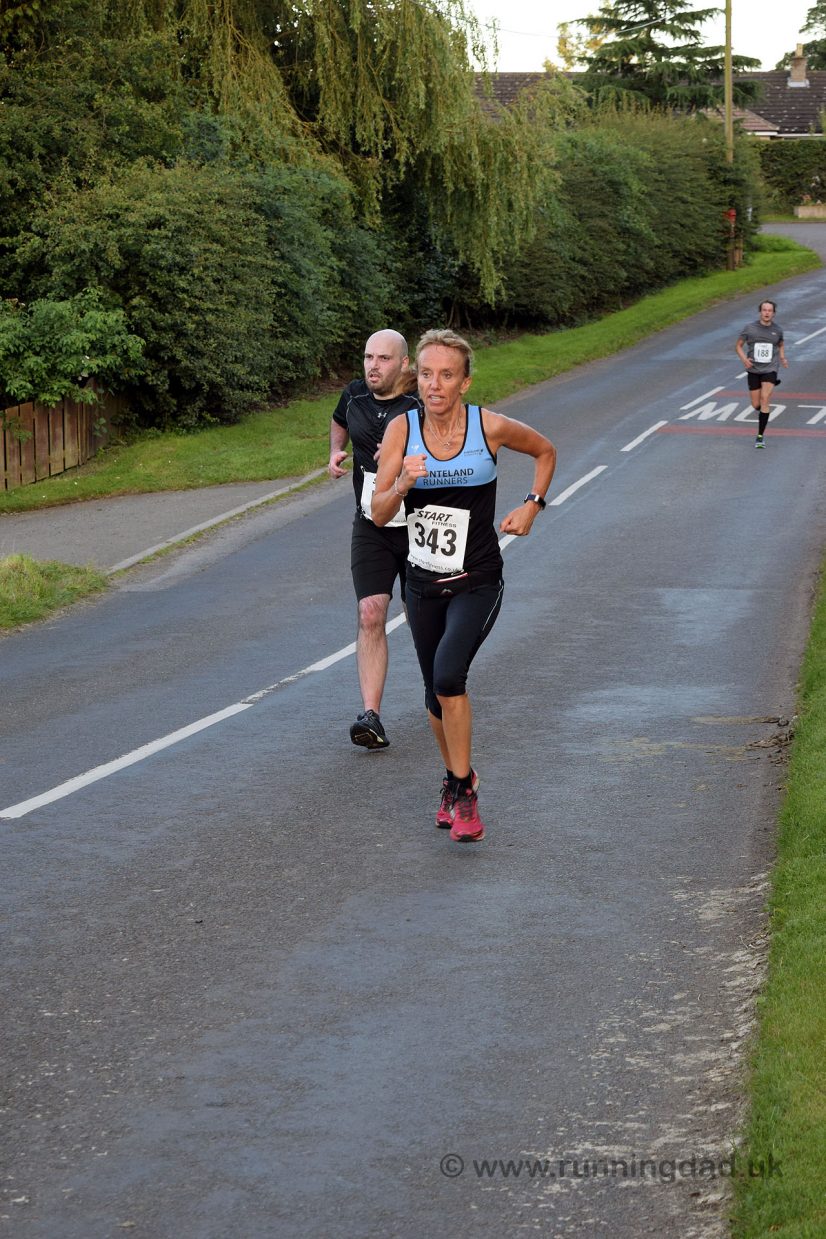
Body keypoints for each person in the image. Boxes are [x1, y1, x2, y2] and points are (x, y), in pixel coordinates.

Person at [371, 328, 556, 843]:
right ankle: (458, 779)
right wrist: (404, 482)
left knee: (450, 677)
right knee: (434, 696)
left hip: (477, 580)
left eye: (446, 375)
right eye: (426, 374)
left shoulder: (488, 427)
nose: (434, 384)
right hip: (422, 584)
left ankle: (464, 795)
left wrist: (532, 505)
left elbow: (545, 451)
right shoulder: (401, 433)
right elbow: (379, 511)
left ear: (464, 382)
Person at [329, 329, 421, 749]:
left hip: (421, 523)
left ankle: (441, 694)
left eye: (383, 359)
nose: (373, 366)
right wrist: (335, 451)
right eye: (368, 357)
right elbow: (338, 421)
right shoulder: (353, 396)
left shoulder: (422, 404)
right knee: (370, 613)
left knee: (423, 616)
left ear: (404, 365)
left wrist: (404, 458)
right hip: (372, 523)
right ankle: (371, 716)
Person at [736, 300, 788, 449]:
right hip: (753, 369)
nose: (766, 313)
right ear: (760, 312)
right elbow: (738, 346)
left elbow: (781, 344)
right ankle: (764, 411)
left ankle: (760, 437)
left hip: (770, 368)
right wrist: (745, 359)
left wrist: (782, 358)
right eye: (764, 310)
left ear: (773, 313)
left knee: (765, 399)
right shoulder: (750, 328)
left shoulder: (777, 330)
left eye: (769, 310)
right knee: (756, 404)